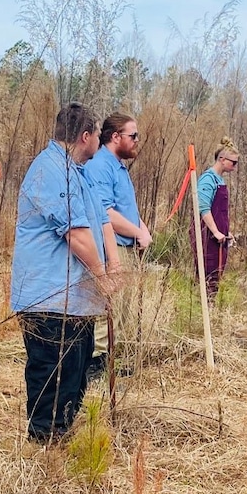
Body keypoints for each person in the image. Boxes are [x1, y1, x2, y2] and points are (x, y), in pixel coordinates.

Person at [11, 103, 115, 443]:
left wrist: (113, 268)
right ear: (86, 136)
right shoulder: (50, 171)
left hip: (77, 301)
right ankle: (42, 452)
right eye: (99, 135)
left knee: (76, 375)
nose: (99, 141)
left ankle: (61, 441)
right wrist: (102, 276)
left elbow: (102, 221)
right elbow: (76, 234)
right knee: (49, 379)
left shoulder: (79, 173)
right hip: (49, 300)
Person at [82, 112, 149, 377]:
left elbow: (125, 207)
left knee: (120, 311)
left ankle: (111, 362)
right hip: (113, 250)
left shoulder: (118, 166)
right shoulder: (100, 166)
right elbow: (104, 213)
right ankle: (96, 366)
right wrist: (137, 233)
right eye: (132, 136)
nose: (136, 141)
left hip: (127, 246)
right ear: (114, 137)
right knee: (106, 309)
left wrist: (142, 229)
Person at [195, 139, 238, 299]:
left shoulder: (220, 180)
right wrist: (215, 231)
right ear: (222, 159)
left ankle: (211, 307)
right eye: (233, 162)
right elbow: (203, 208)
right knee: (207, 273)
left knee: (217, 275)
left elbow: (221, 212)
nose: (235, 166)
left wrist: (227, 231)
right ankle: (203, 307)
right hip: (207, 236)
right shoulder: (208, 179)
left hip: (219, 237)